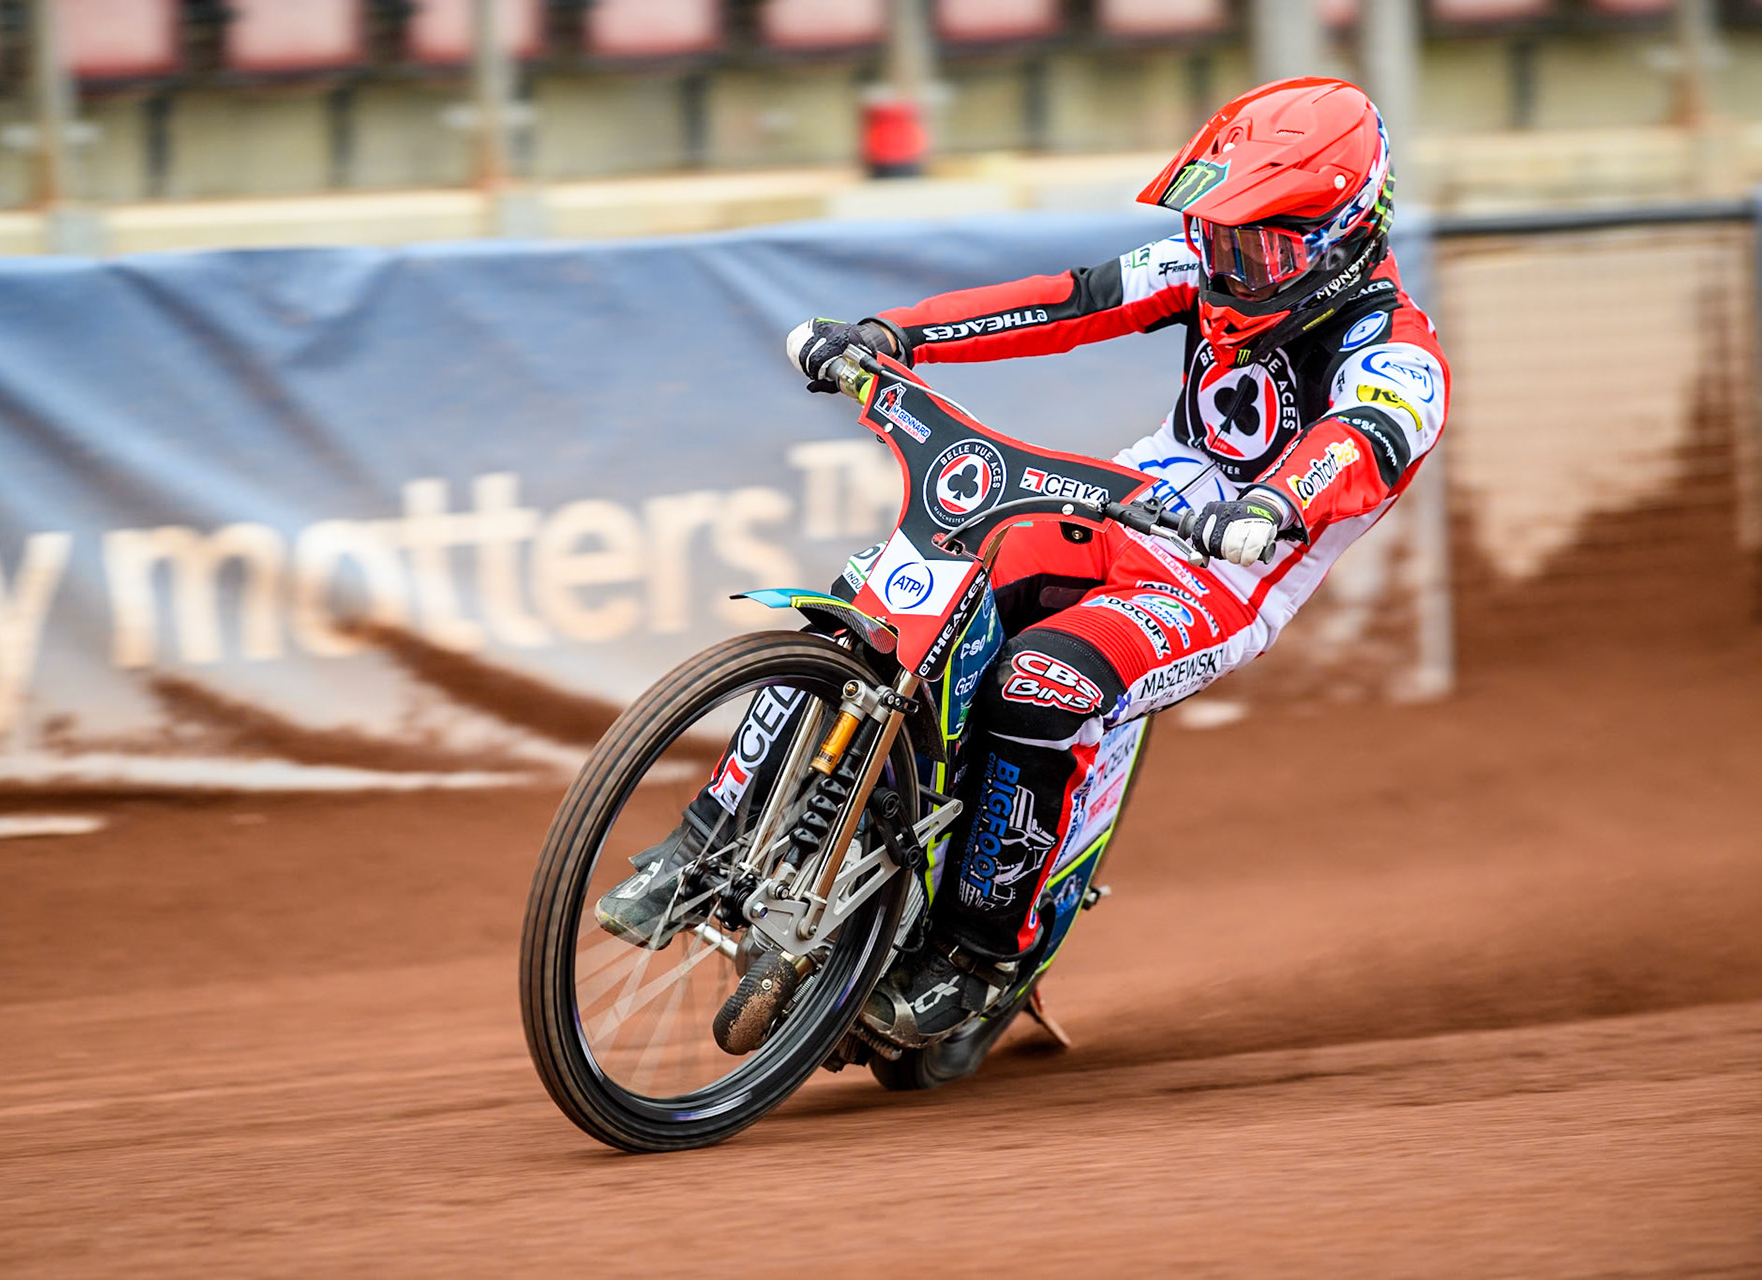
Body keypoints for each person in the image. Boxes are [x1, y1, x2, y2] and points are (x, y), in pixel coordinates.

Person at [599, 77, 1451, 1051]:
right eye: (1218, 234)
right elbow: (1065, 301)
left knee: (1037, 685)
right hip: (1124, 506)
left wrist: (1272, 503)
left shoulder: (1400, 353)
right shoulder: (1209, 264)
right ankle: (707, 842)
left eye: (1257, 244)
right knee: (885, 588)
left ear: (1347, 237)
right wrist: (898, 334)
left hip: (1222, 575)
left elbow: (1363, 439)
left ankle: (977, 956)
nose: (1225, 263)